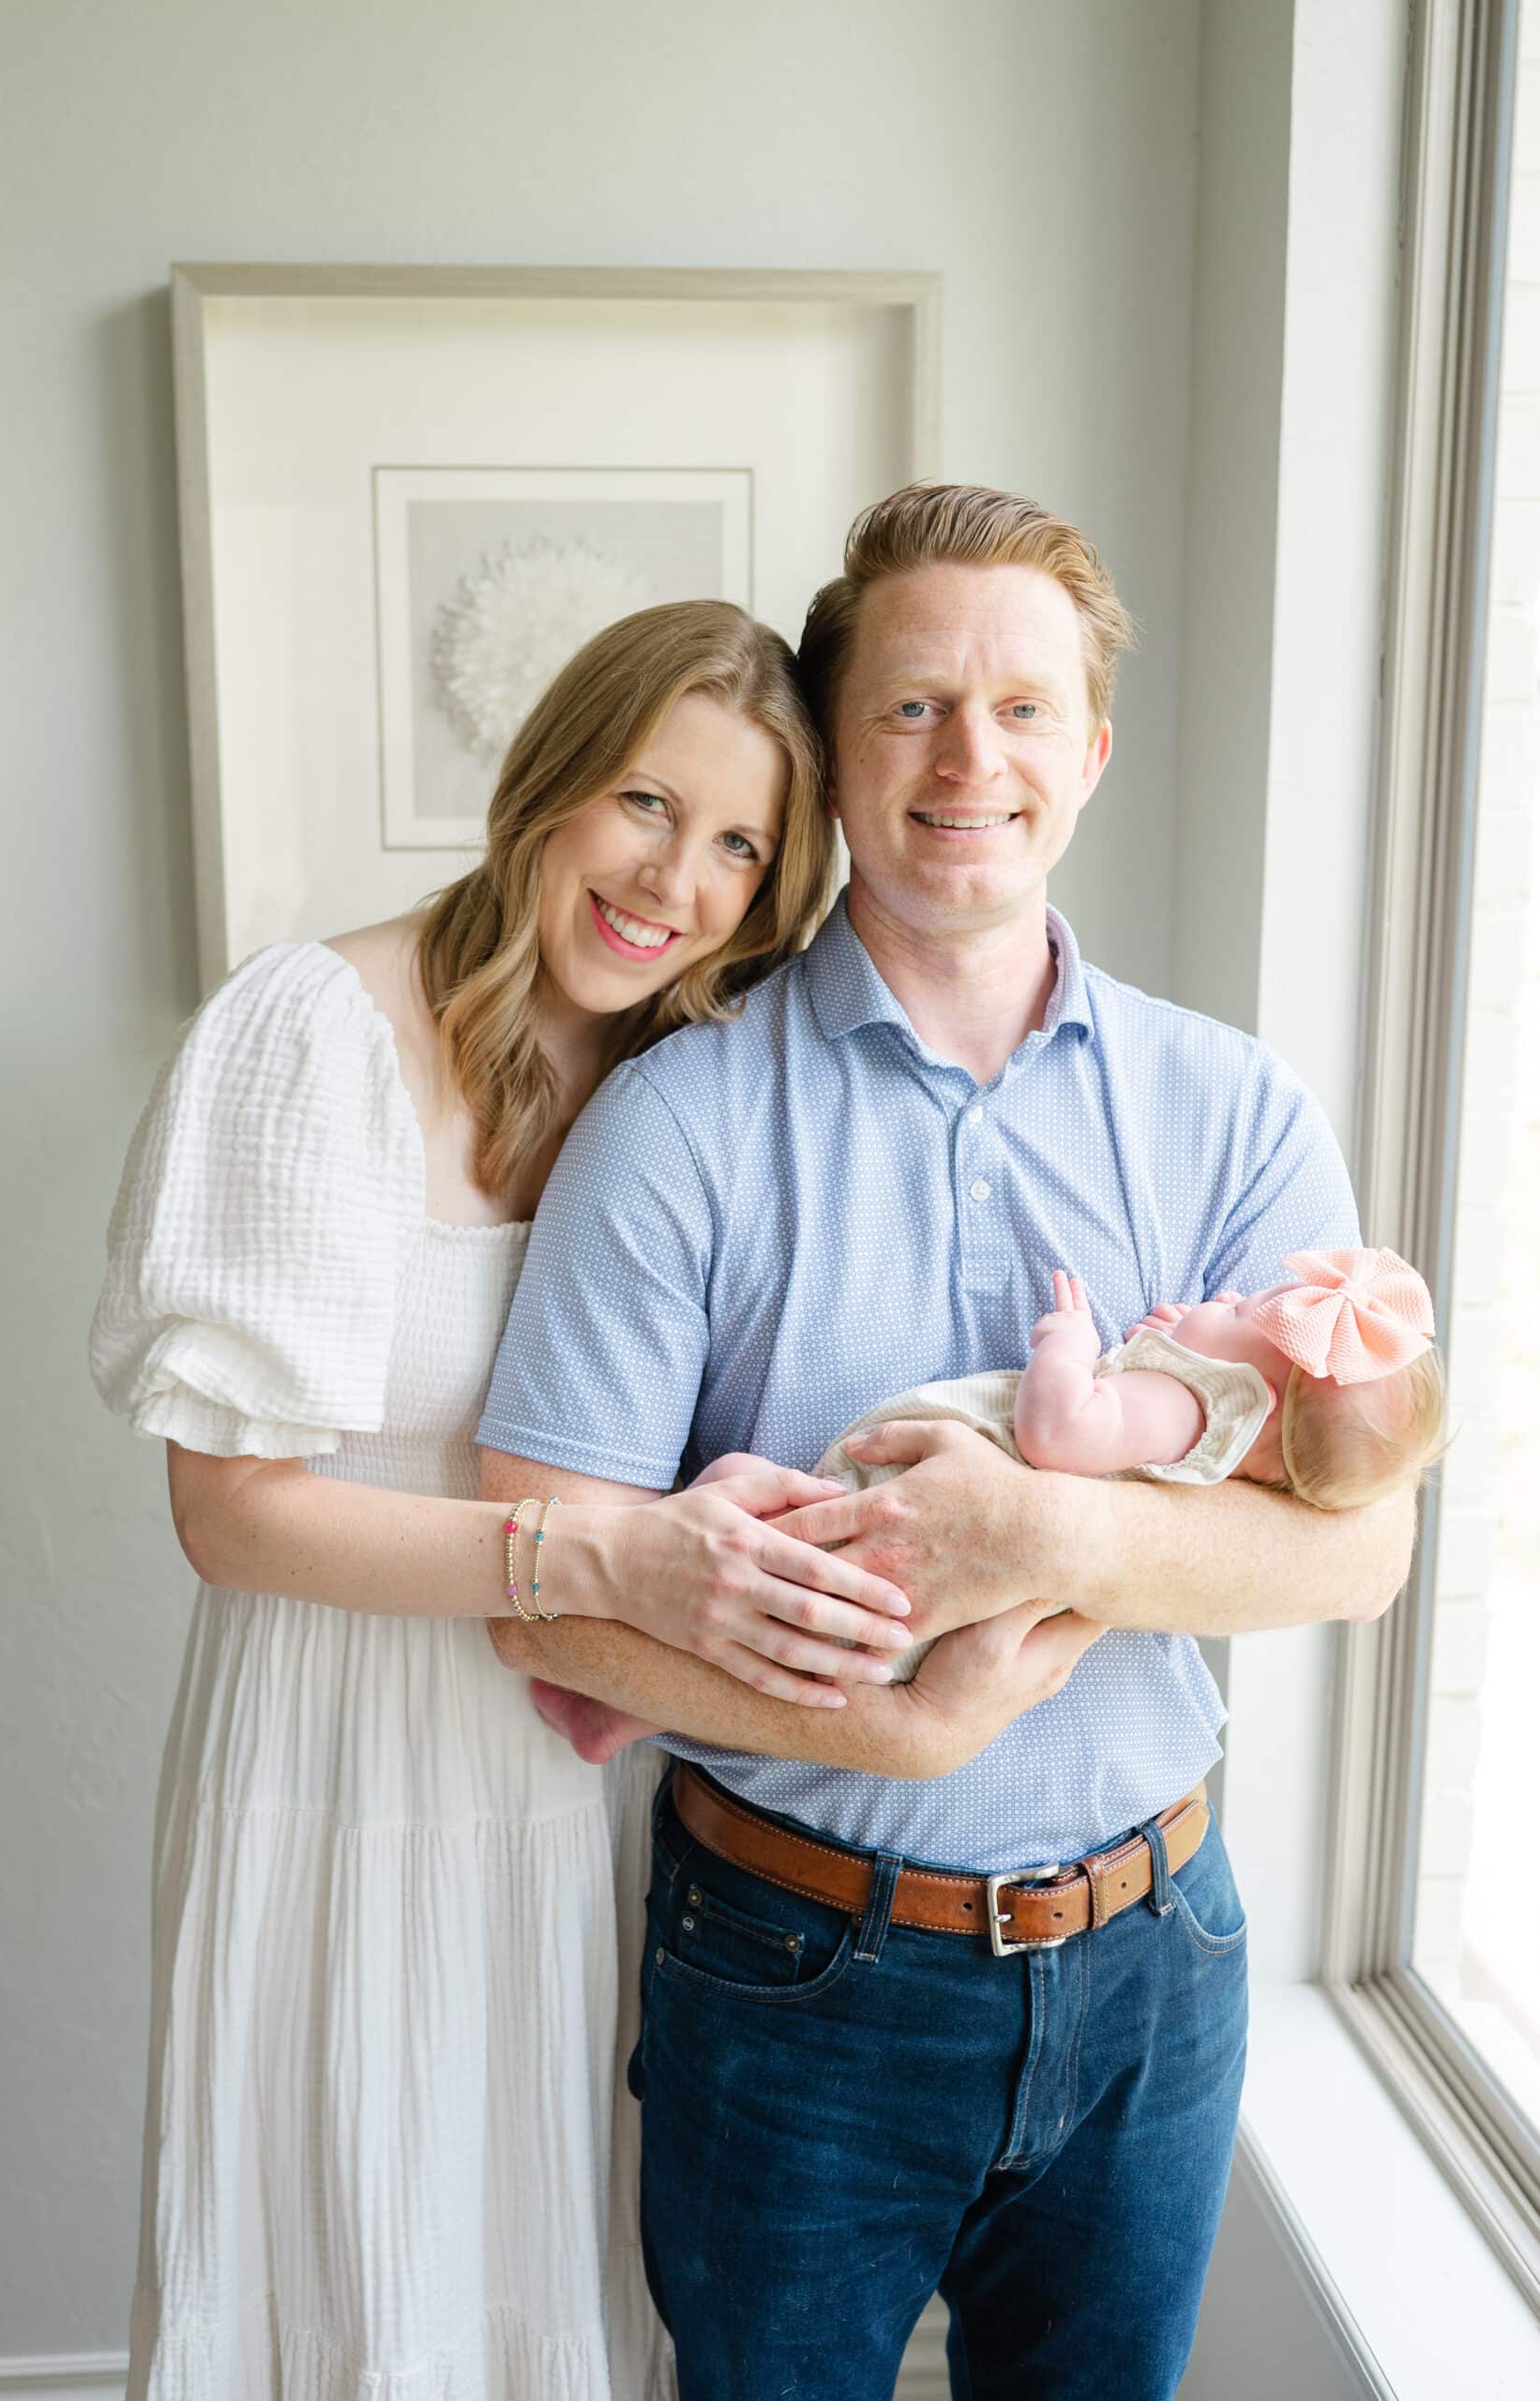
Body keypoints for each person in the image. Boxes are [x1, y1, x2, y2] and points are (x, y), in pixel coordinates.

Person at [476, 487, 1420, 2401]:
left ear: (1088, 749)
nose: (968, 758)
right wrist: (902, 1725)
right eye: (911, 708)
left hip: (1159, 1956)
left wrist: (1037, 1534)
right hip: (792, 1968)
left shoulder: (1232, 1106)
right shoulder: (675, 1124)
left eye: (1019, 707)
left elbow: (1359, 1545)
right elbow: (540, 1597)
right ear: (833, 758)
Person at [89, 599, 961, 2401]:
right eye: (645, 802)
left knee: (549, 2271)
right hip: (342, 1756)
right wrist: (603, 1555)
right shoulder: (314, 1032)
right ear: (550, 782)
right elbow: (231, 1513)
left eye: (738, 846)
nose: (673, 881)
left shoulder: (687, 1085)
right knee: (357, 2258)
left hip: (583, 1780)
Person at [535, 1246, 1447, 1751]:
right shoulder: (1219, 1429)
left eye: (1247, 1314)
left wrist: (1069, 1342)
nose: (1232, 1296)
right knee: (785, 1634)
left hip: (893, 1520)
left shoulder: (1187, 1403)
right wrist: (1179, 1339)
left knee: (737, 1497)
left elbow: (1060, 1431)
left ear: (1256, 1404)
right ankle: (626, 1711)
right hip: (935, 1604)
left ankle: (624, 1682)